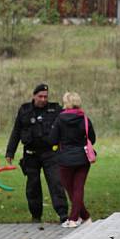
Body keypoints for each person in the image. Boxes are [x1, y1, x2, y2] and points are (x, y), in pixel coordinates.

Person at [5, 83, 68, 224]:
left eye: (46, 96)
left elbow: (66, 126)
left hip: (50, 154)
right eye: (40, 96)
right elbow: (16, 131)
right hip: (31, 154)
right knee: (33, 186)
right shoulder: (24, 110)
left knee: (56, 182)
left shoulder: (55, 109)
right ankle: (36, 216)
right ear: (34, 96)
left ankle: (63, 213)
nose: (43, 99)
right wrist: (10, 151)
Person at [48, 91, 96, 228]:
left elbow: (52, 139)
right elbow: (92, 138)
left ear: (66, 103)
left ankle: (73, 218)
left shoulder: (59, 119)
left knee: (70, 189)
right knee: (78, 188)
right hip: (83, 159)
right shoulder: (85, 119)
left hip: (65, 160)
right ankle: (85, 217)